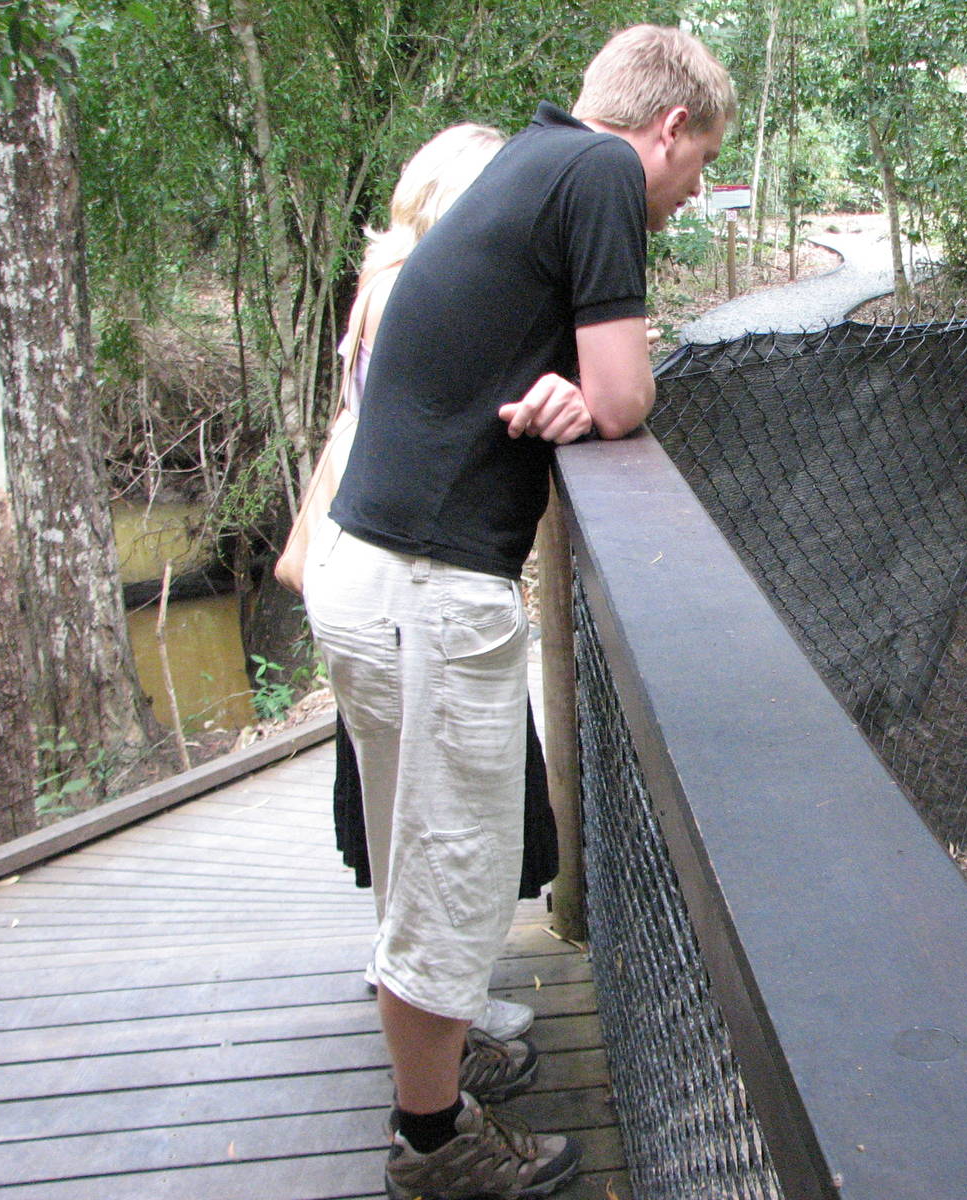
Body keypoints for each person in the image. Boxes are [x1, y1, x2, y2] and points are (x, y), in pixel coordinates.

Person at [304, 25, 734, 1200]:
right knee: (453, 868)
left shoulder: (528, 158)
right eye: (697, 170)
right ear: (666, 131)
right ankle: (435, 1143)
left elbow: (569, 378)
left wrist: (569, 393)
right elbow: (627, 393)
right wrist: (593, 399)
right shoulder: (599, 172)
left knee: (418, 854)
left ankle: (439, 1053)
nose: (688, 199)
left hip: (372, 566)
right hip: (426, 586)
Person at [321, 122, 551, 1047]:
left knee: (407, 810)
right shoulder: (413, 292)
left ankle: (421, 1000)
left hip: (368, 570)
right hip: (410, 577)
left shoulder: (387, 286)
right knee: (440, 827)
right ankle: (435, 1050)